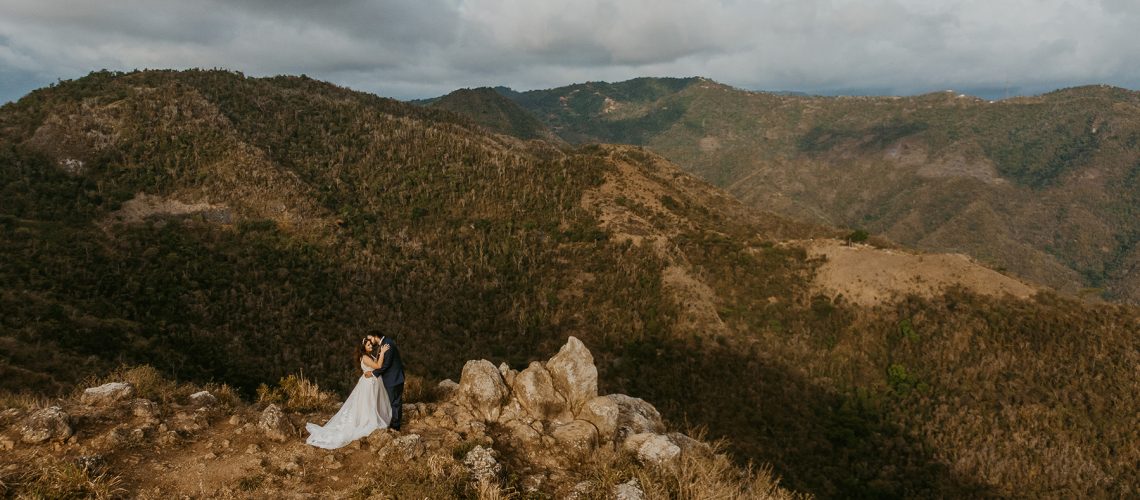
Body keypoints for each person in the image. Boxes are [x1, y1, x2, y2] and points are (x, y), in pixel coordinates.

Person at [305, 337, 391, 449]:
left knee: (370, 403)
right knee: (368, 403)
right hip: (368, 384)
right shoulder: (364, 357)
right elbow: (378, 366)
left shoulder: (369, 356)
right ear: (363, 347)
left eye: (371, 345)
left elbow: (375, 365)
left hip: (372, 382)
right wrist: (383, 352)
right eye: (368, 345)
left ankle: (371, 417)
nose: (370, 347)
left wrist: (379, 353)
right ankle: (369, 420)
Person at [363, 332, 405, 431]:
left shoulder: (387, 344)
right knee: (393, 402)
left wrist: (373, 374)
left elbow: (385, 365)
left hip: (394, 378)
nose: (370, 342)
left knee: (395, 402)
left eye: (370, 339)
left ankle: (395, 426)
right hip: (392, 378)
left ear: (375, 336)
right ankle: (393, 422)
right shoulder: (385, 343)